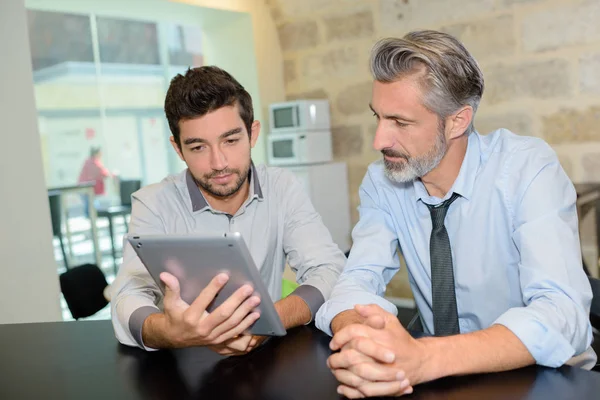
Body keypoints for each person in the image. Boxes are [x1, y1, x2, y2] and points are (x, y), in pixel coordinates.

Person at [316, 30, 596, 398]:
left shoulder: (527, 169)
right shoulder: (382, 182)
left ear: (457, 121)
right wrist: (359, 337)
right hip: (441, 379)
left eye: (400, 122)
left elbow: (562, 314)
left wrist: (424, 357)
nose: (379, 140)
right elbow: (356, 281)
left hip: (544, 380)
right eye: (378, 117)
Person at [111, 66, 345, 355]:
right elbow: (128, 296)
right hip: (179, 369)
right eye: (198, 147)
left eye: (231, 140)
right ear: (178, 148)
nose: (219, 162)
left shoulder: (282, 187)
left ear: (252, 133)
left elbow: (329, 268)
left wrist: (267, 321)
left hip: (266, 358)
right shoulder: (153, 203)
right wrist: (171, 332)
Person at [77, 146, 114, 217]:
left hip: (85, 188)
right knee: (91, 207)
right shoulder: (93, 162)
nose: (101, 155)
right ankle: (92, 221)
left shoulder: (88, 161)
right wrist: (112, 174)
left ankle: (92, 219)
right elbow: (103, 172)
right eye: (100, 153)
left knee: (91, 206)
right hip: (86, 189)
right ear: (96, 153)